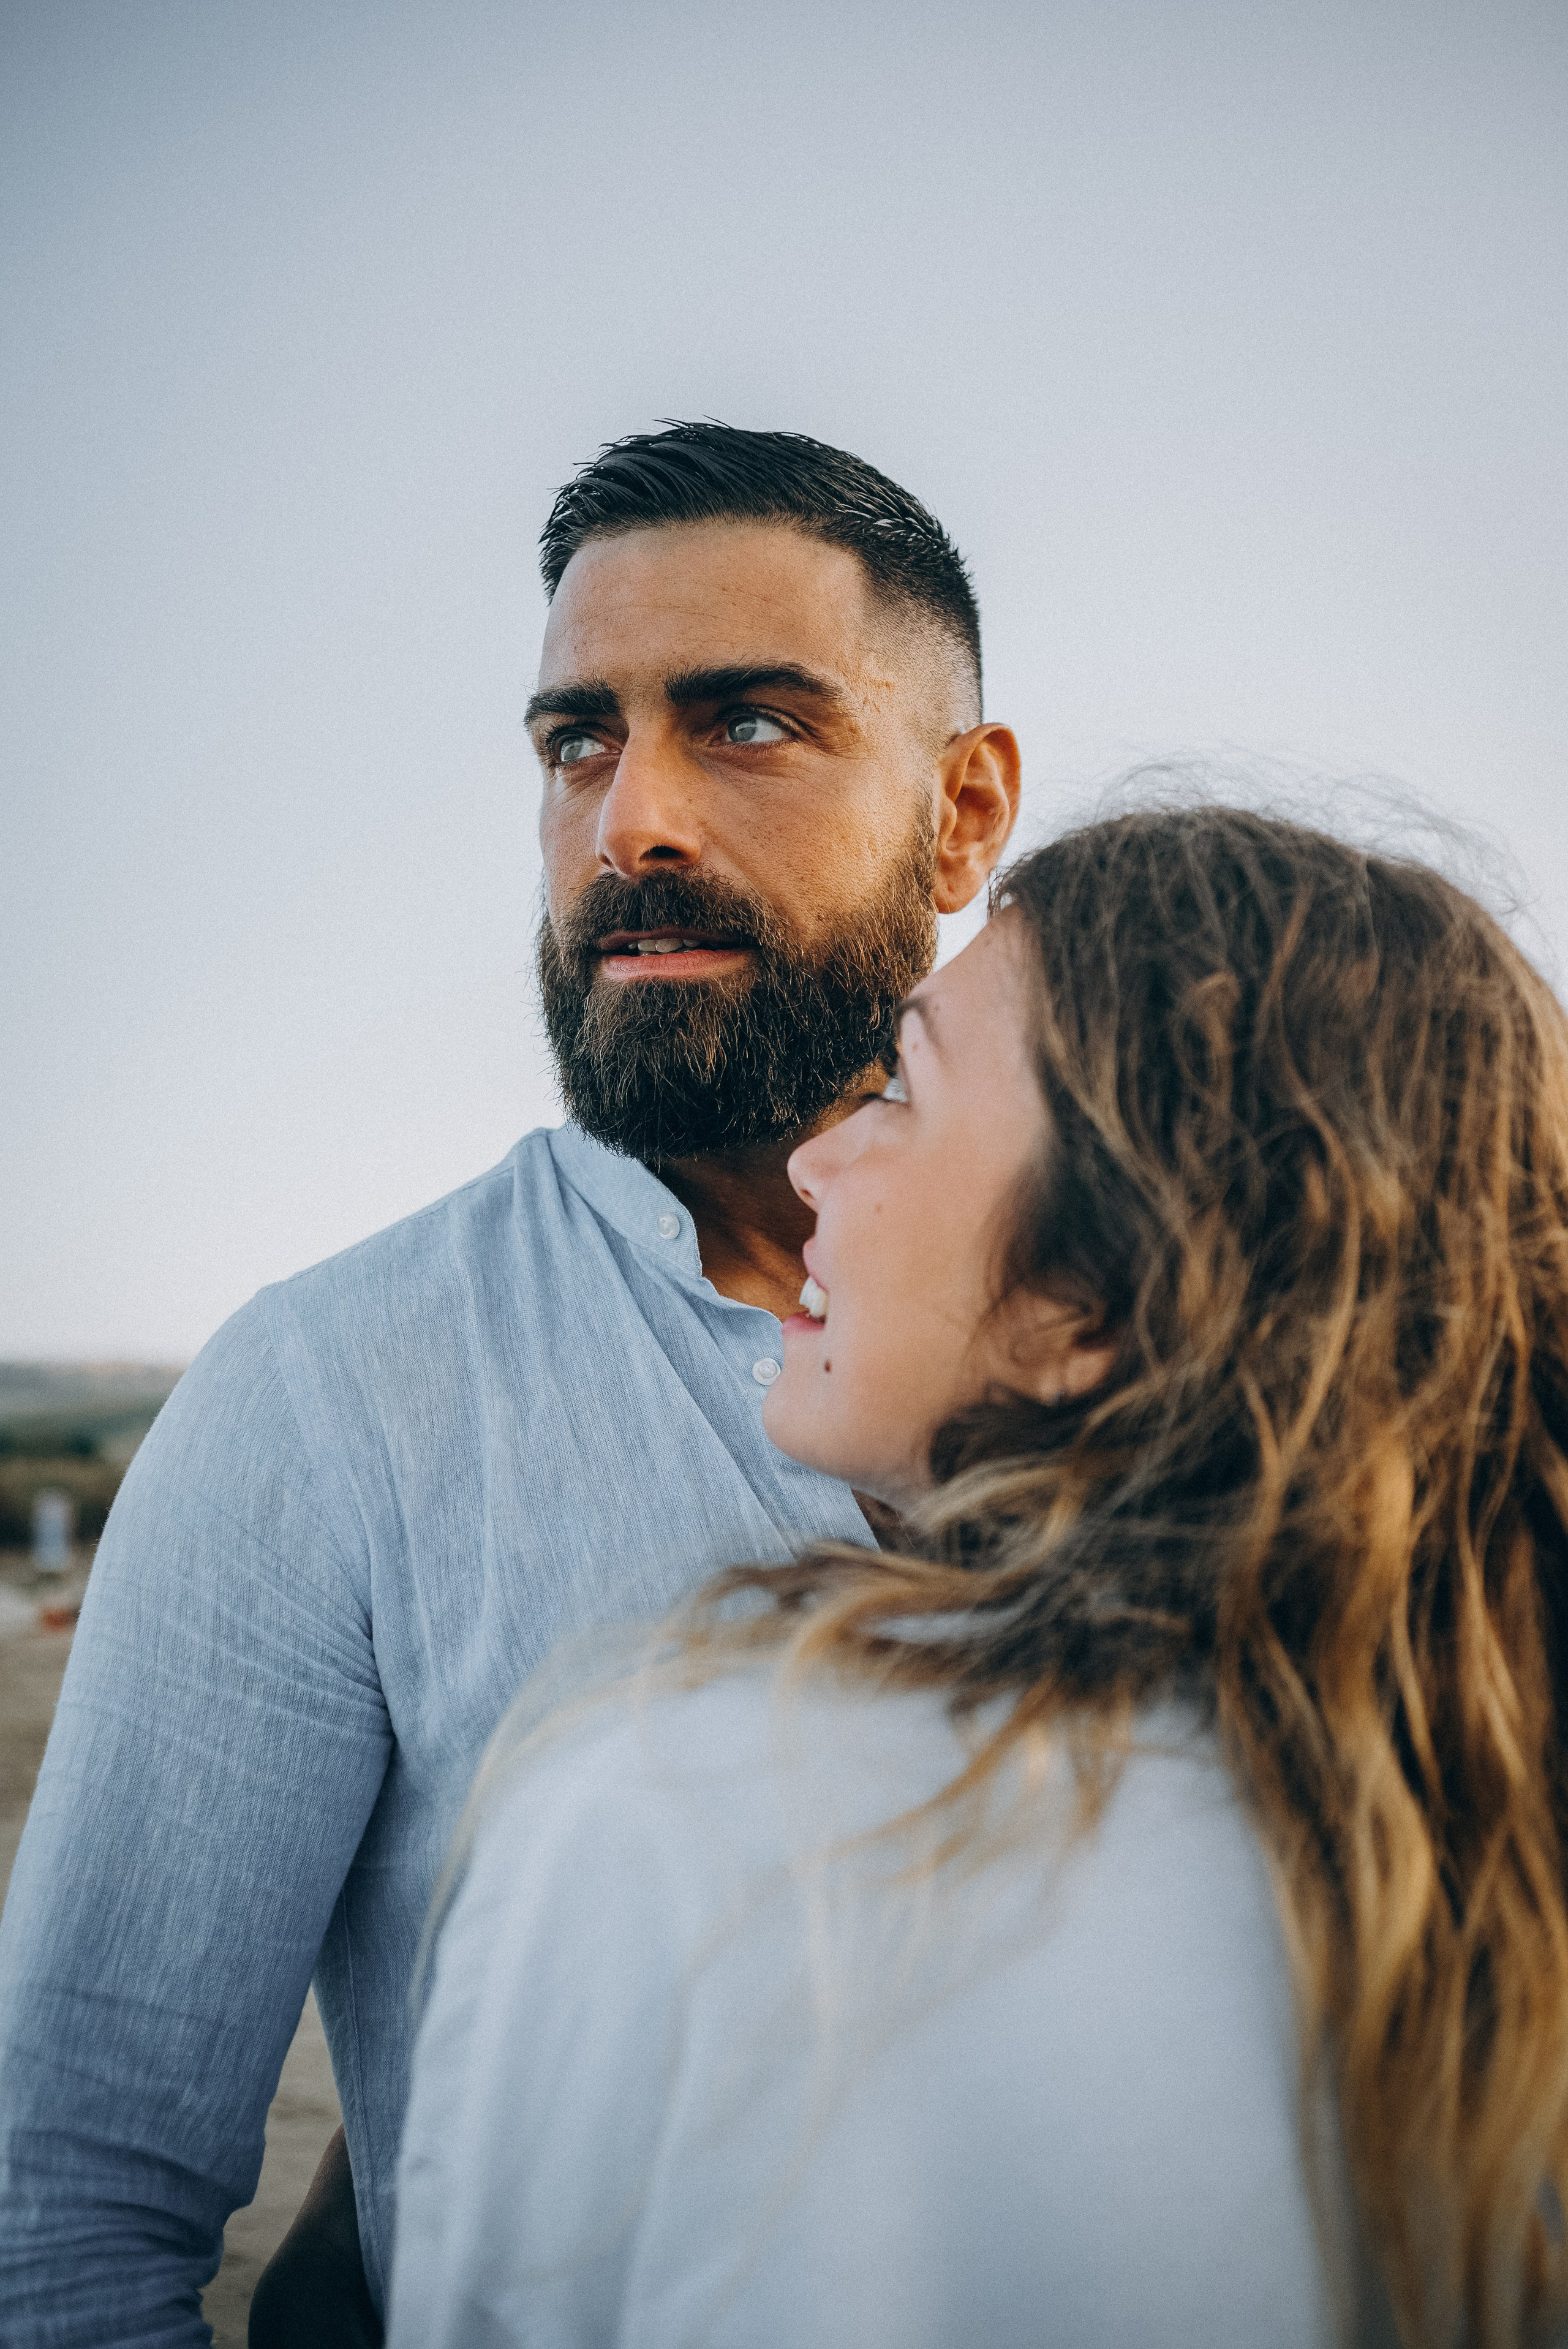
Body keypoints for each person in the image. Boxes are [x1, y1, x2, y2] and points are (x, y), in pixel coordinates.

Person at [0, 423, 1020, 2344]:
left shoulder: (1217, 1347)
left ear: (964, 810)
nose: (630, 821)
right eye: (578, 741)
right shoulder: (329, 1399)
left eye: (745, 724)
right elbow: (67, 2224)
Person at [390, 806, 1568, 2349]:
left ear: (1100, 1292)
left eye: (899, 1086)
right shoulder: (1487, 1856)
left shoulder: (693, 1825)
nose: (815, 1152)